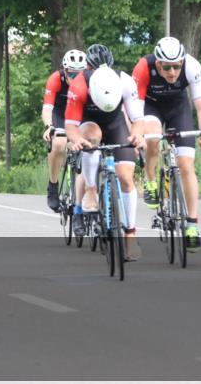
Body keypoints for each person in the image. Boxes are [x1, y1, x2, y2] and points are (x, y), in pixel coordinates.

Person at [130, 36, 201, 252]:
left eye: (176, 67)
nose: (172, 72)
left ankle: (192, 225)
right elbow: (135, 109)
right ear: (158, 63)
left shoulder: (192, 66)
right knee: (154, 137)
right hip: (150, 108)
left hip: (178, 108)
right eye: (166, 67)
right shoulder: (143, 67)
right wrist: (137, 135)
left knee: (186, 166)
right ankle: (150, 179)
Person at [64, 44, 146, 260]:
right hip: (89, 122)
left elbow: (138, 120)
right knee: (90, 139)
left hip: (116, 123)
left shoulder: (125, 81)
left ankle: (130, 233)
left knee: (126, 178)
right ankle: (91, 190)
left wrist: (137, 136)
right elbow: (71, 125)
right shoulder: (79, 85)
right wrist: (76, 139)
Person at [42, 49, 87, 211]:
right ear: (65, 70)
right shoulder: (56, 79)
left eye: (79, 75)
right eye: (71, 75)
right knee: (59, 143)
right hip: (60, 114)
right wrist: (49, 126)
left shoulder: (89, 80)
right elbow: (47, 107)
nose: (75, 79)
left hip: (80, 115)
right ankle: (53, 185)